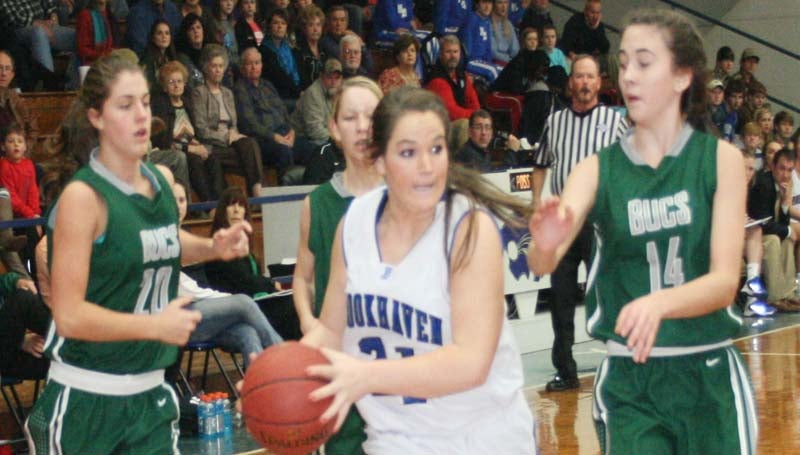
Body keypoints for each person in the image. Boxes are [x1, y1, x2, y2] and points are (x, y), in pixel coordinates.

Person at [529, 8, 758, 453]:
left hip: (706, 374)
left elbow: (724, 281)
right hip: (631, 383)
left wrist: (659, 304)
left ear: (680, 77)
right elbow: (543, 261)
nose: (629, 75)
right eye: (625, 62)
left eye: (644, 62)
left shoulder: (721, 160)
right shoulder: (596, 169)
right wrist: (546, 238)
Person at [24, 52, 252, 454]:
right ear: (96, 116)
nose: (141, 115)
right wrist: (152, 327)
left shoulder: (161, 182)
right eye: (125, 105)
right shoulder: (83, 198)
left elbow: (159, 242)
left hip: (149, 396)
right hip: (88, 401)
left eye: (145, 102)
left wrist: (212, 246)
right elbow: (70, 315)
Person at [302, 86, 536, 454]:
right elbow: (331, 331)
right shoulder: (354, 225)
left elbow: (470, 362)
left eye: (437, 149)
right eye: (408, 152)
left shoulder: (469, 229)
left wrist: (365, 376)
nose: (427, 166)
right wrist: (275, 371)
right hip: (394, 442)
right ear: (378, 161)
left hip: (480, 441)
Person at [293, 75, 383, 455]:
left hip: (396, 366)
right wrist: (309, 324)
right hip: (339, 359)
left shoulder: (408, 196)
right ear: (333, 128)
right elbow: (302, 278)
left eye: (371, 115)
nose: (362, 126)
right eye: (350, 117)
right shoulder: (319, 203)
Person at [530, 54, 627, 392]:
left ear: (600, 82)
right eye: (579, 77)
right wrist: (535, 204)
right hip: (563, 223)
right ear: (571, 82)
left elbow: (628, 169)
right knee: (561, 299)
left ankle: (619, 362)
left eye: (590, 77)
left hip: (600, 222)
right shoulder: (554, 122)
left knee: (608, 294)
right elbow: (540, 164)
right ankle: (565, 370)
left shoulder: (615, 122)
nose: (584, 83)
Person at [172, 181, 282, 368]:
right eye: (173, 200)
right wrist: (231, 301)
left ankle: (258, 391)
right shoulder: (162, 238)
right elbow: (187, 292)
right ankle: (286, 360)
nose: (178, 206)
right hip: (175, 319)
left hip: (203, 315)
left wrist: (227, 302)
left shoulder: (185, 234)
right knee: (243, 302)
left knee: (248, 333)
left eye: (182, 200)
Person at [205, 186, 301, 340]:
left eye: (241, 205)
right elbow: (243, 281)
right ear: (223, 210)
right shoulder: (218, 245)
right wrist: (270, 285)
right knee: (290, 309)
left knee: (297, 304)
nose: (236, 210)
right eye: (231, 205)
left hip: (253, 302)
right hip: (233, 309)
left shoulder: (244, 244)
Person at [191, 44, 265, 196]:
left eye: (221, 66)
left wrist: (233, 134)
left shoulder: (228, 93)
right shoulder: (199, 93)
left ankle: (256, 189)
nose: (218, 70)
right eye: (214, 66)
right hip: (212, 146)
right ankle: (257, 194)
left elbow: (234, 126)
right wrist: (226, 137)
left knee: (250, 143)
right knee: (250, 158)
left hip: (232, 144)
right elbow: (201, 130)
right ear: (206, 68)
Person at [151, 60, 225, 203]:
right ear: (165, 87)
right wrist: (189, 148)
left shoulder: (187, 103)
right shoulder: (160, 105)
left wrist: (198, 145)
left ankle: (219, 203)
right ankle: (207, 206)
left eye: (180, 81)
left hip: (191, 147)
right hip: (175, 150)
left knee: (213, 159)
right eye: (171, 82)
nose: (177, 85)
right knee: (195, 161)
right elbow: (163, 141)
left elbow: (193, 133)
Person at [233, 47, 302, 173]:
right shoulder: (240, 89)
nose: (254, 67)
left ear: (261, 65)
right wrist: (274, 136)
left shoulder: (267, 85)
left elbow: (283, 111)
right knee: (284, 152)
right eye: (249, 64)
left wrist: (292, 131)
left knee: (314, 149)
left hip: (285, 134)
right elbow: (249, 124)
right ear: (242, 68)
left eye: (257, 63)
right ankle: (289, 190)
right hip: (264, 139)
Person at [2, 0, 79, 89]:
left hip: (45, 24)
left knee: (80, 37)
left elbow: (50, 4)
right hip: (18, 29)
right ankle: (49, 83)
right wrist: (38, 24)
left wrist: (53, 16)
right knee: (38, 32)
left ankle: (71, 86)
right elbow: (12, 18)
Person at [426, 35, 480, 151]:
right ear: (440, 54)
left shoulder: (462, 75)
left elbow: (475, 104)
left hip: (462, 121)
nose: (452, 56)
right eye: (448, 52)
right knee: (464, 125)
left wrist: (478, 117)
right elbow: (451, 113)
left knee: (482, 123)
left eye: (455, 51)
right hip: (439, 129)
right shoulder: (437, 79)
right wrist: (475, 117)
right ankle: (467, 165)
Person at [291, 57, 343, 149]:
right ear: (322, 76)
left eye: (337, 78)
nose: (333, 82)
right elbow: (314, 131)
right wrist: (339, 139)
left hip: (325, 137)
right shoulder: (313, 94)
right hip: (302, 139)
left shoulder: (339, 92)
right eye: (329, 77)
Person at [258, 8, 301, 103]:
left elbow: (295, 72)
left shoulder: (289, 48)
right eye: (276, 23)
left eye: (283, 23)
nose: (280, 26)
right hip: (275, 97)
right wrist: (298, 92)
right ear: (269, 26)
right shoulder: (264, 50)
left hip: (292, 93)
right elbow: (279, 78)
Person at [0, 123, 40, 220]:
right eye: (11, 141)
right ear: (3, 146)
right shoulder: (4, 165)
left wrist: (35, 213)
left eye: (20, 141)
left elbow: (33, 190)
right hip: (9, 212)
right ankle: (7, 235)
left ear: (25, 146)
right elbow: (11, 196)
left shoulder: (29, 164)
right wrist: (29, 214)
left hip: (27, 212)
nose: (16, 144)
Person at [460, 0, 502, 82]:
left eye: (490, 3)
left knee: (504, 70)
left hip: (482, 62)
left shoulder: (486, 21)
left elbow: (488, 48)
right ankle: (493, 94)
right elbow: (467, 51)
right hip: (470, 62)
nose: (487, 6)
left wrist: (488, 63)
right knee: (492, 71)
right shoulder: (470, 20)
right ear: (477, 5)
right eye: (484, 2)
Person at [294, 4, 327, 91]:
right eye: (311, 25)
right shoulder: (298, 51)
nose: (315, 29)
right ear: (304, 28)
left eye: (318, 25)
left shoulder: (324, 49)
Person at [75, 0, 117, 66]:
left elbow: (111, 43)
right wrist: (101, 55)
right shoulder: (85, 15)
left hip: (106, 59)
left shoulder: (108, 14)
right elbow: (82, 49)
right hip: (91, 63)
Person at [141, 20, 178, 89]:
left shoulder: (171, 58)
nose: (164, 36)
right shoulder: (148, 60)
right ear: (153, 37)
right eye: (159, 33)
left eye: (167, 33)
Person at [175, 12, 209, 87]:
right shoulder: (182, 58)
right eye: (191, 29)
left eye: (198, 27)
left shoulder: (209, 52)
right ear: (186, 34)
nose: (196, 31)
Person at [490, 0, 520, 65]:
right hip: (494, 62)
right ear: (494, 5)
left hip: (509, 63)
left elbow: (515, 50)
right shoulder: (488, 24)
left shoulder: (509, 24)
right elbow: (493, 52)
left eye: (505, 2)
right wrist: (509, 60)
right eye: (500, 2)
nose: (503, 6)